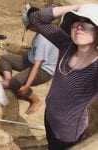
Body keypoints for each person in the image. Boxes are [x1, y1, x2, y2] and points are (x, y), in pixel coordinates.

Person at [27, 3, 98, 150]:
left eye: (89, 24)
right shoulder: (66, 45)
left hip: (67, 131)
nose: (80, 27)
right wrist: (77, 6)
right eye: (76, 22)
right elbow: (36, 18)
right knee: (49, 143)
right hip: (49, 115)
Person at [0, 7, 59, 115]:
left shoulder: (43, 39)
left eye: (29, 26)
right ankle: (9, 80)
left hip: (43, 70)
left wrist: (26, 86)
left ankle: (35, 100)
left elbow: (37, 66)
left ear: (34, 23)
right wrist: (9, 81)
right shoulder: (44, 28)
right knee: (5, 59)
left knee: (16, 83)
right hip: (31, 59)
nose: (29, 29)